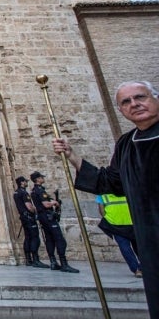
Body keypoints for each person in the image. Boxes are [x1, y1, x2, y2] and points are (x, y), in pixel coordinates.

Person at [53, 80, 158, 316]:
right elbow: (109, 183)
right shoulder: (126, 145)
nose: (134, 104)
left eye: (140, 97)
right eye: (126, 102)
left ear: (155, 98)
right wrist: (72, 155)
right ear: (120, 110)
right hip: (149, 240)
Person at [29, 171, 78, 273]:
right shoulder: (40, 191)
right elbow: (46, 204)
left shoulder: (33, 191)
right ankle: (64, 263)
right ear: (37, 179)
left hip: (42, 218)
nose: (43, 178)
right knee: (59, 239)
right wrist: (55, 202)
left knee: (49, 239)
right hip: (48, 217)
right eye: (42, 177)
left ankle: (53, 262)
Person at [96, 193, 141, 277]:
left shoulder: (102, 193)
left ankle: (136, 270)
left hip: (115, 223)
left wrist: (109, 219)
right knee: (139, 247)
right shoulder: (127, 187)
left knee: (125, 247)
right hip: (132, 222)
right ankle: (144, 267)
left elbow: (101, 210)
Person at [13, 176, 49, 268]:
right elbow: (29, 206)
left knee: (28, 237)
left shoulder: (16, 193)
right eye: (25, 181)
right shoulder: (24, 193)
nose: (26, 183)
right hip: (29, 218)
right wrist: (35, 210)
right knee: (34, 238)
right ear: (22, 182)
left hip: (23, 217)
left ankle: (28, 259)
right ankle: (35, 259)